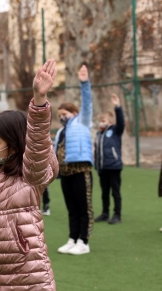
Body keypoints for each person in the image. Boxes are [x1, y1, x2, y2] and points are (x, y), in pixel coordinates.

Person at [0, 59, 58, 290]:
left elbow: (38, 146)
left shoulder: (30, 175)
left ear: (14, 145)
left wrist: (39, 101)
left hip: (29, 277)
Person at [54, 65, 94, 255]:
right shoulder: (61, 131)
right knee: (71, 208)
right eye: (60, 115)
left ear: (74, 113)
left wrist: (84, 82)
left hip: (81, 170)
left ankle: (84, 241)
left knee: (83, 207)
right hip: (66, 172)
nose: (62, 118)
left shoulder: (83, 121)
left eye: (65, 114)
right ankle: (73, 238)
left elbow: (87, 103)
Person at [94, 93, 125, 224]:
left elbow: (121, 122)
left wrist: (117, 107)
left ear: (110, 122)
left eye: (104, 121)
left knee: (115, 192)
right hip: (102, 168)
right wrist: (97, 165)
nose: (101, 123)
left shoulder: (115, 131)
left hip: (114, 167)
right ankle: (105, 213)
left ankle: (117, 214)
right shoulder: (98, 134)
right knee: (104, 192)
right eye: (100, 121)